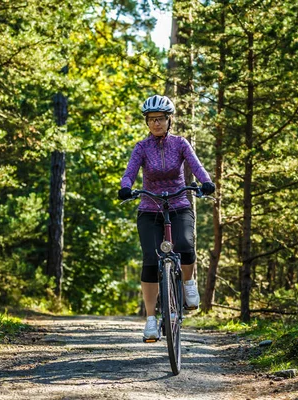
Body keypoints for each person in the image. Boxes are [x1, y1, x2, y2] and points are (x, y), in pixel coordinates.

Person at [118, 95, 215, 340]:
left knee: (184, 244)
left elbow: (196, 166)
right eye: (151, 120)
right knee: (151, 259)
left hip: (179, 204)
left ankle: (188, 283)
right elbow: (130, 171)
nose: (156, 124)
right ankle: (151, 319)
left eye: (160, 119)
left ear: (169, 120)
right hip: (150, 208)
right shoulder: (142, 147)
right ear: (147, 122)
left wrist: (206, 182)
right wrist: (125, 187)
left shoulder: (181, 144)